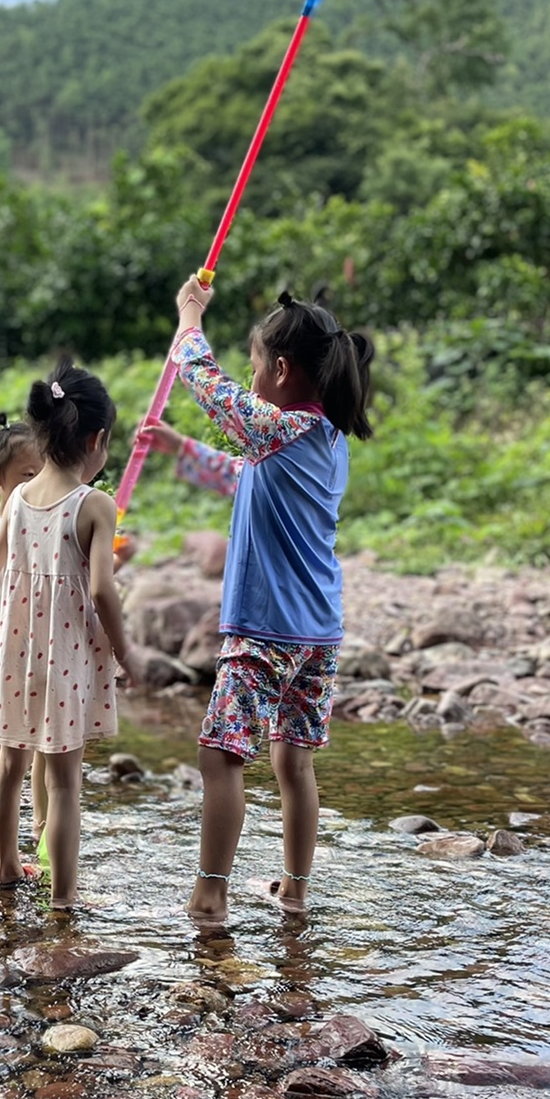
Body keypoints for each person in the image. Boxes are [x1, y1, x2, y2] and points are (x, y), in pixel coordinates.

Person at [137, 279, 373, 927]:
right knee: (292, 760)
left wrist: (188, 317)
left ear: (280, 369)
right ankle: (295, 890)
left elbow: (207, 384)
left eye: (254, 364)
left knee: (220, 754)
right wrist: (177, 450)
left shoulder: (280, 426)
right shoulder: (326, 441)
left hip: (266, 628)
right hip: (318, 634)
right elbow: (240, 476)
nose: (248, 375)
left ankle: (210, 893)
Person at [0, 359, 131, 911]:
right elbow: (105, 594)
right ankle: (63, 900)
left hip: (17, 649)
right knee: (64, 783)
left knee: (11, 763)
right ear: (98, 439)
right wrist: (125, 653)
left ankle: (7, 870)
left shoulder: (17, 499)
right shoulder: (95, 504)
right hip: (65, 654)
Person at [0, 414, 47, 864]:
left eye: (44, 476)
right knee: (1, 743)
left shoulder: (38, 520)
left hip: (47, 648)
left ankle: (40, 829)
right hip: (11, 652)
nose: (35, 488)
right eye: (26, 478)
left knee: (43, 743)